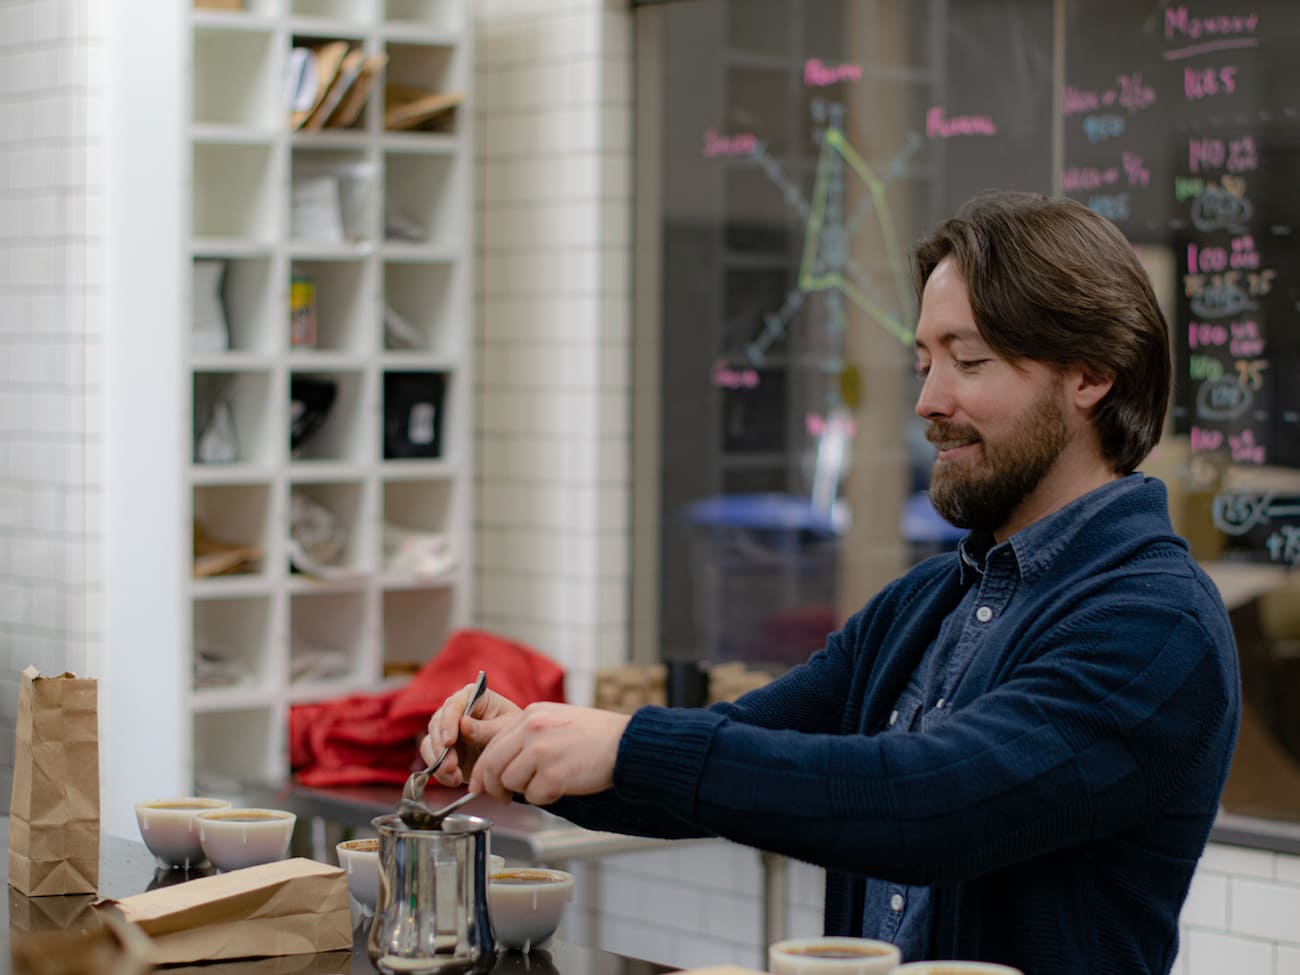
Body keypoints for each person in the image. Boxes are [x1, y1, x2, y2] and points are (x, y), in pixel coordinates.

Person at [422, 191, 1240, 974]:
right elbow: (727, 762)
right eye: (924, 361)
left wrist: (627, 744)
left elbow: (936, 801)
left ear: (1090, 375)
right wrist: (535, 745)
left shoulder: (1157, 625)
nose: (928, 399)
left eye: (969, 360)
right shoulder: (927, 605)